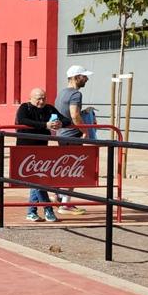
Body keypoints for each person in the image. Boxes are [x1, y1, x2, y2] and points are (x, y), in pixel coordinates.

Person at [15, 87, 61, 222]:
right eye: (38, 98)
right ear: (30, 99)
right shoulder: (24, 107)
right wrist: (45, 125)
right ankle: (48, 209)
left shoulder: (49, 108)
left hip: (42, 149)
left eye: (43, 98)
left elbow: (63, 118)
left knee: (36, 180)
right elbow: (23, 120)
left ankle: (31, 211)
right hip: (26, 151)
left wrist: (59, 123)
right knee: (37, 180)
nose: (41, 101)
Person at [52, 66, 90, 213]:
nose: (87, 79)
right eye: (84, 76)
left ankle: (60, 197)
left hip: (61, 134)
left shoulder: (61, 93)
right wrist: (85, 130)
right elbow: (74, 115)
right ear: (76, 77)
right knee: (73, 169)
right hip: (72, 135)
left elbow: (65, 113)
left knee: (64, 167)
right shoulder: (76, 94)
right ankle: (65, 204)